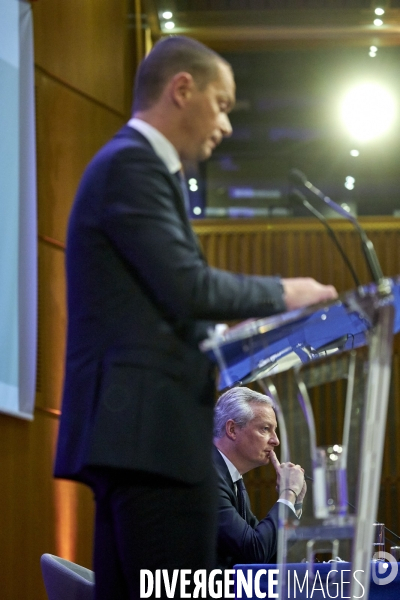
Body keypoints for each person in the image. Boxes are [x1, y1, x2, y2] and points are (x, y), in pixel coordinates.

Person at [54, 35, 336, 599]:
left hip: (138, 438)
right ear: (182, 89)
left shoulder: (133, 169)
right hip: (150, 441)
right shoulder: (132, 165)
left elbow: (157, 302)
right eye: (224, 104)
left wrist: (221, 337)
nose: (228, 126)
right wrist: (290, 290)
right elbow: (188, 286)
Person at [213, 386, 306, 569]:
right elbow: (254, 551)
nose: (275, 440)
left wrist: (296, 503)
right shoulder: (209, 478)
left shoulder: (233, 479)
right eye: (265, 429)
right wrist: (288, 494)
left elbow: (269, 554)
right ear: (232, 429)